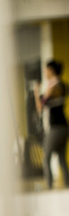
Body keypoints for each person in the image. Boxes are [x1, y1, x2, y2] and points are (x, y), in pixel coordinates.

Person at [34, 60, 68, 189]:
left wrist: (37, 92)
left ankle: (49, 187)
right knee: (61, 159)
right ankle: (66, 187)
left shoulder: (57, 86)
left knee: (46, 157)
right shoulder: (54, 86)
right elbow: (41, 106)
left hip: (57, 127)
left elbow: (41, 104)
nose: (45, 73)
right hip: (60, 127)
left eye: (46, 70)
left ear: (51, 70)